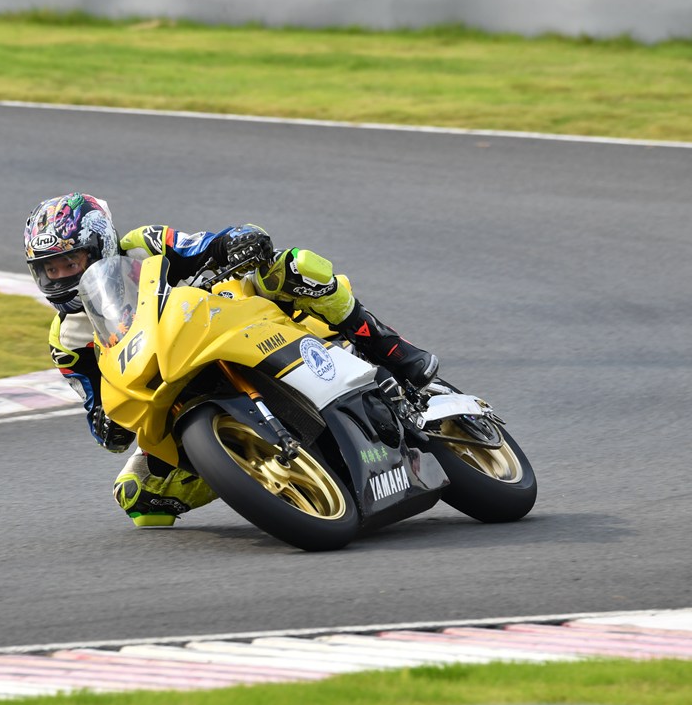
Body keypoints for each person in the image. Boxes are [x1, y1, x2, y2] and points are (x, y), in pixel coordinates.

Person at [23, 192, 439, 527]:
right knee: (137, 496)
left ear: (101, 246)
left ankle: (390, 348)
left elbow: (203, 245)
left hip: (228, 321)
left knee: (294, 267)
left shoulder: (142, 245)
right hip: (170, 384)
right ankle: (258, 472)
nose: (60, 277)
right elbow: (96, 405)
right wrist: (106, 424)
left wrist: (235, 239)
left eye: (69, 263)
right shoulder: (67, 340)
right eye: (49, 270)